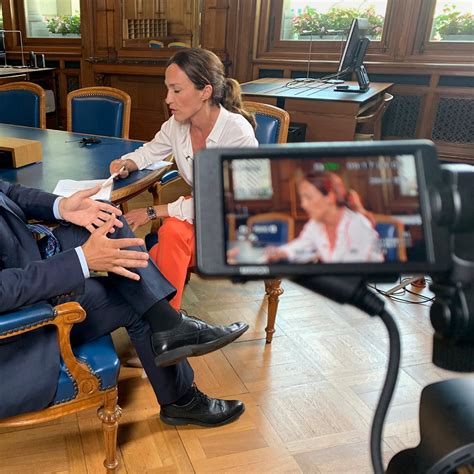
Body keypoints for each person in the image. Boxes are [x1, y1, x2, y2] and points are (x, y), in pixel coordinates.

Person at [0, 180, 248, 426]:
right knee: (139, 302)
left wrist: (61, 206)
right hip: (19, 322)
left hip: (25, 263)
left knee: (107, 218)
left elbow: (9, 190)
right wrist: (81, 260)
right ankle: (180, 394)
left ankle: (170, 327)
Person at [109, 47, 258, 310]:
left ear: (205, 91)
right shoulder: (176, 124)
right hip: (197, 214)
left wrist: (152, 212)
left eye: (176, 90)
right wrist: (127, 163)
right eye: (167, 89)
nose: (168, 99)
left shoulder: (237, 133)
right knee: (168, 239)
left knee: (155, 252)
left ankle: (157, 311)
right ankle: (169, 320)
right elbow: (149, 151)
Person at [265, 170, 384, 263]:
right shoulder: (315, 224)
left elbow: (350, 272)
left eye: (308, 197)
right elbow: (300, 245)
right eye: (302, 198)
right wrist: (280, 252)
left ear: (330, 197)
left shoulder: (358, 225)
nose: (303, 204)